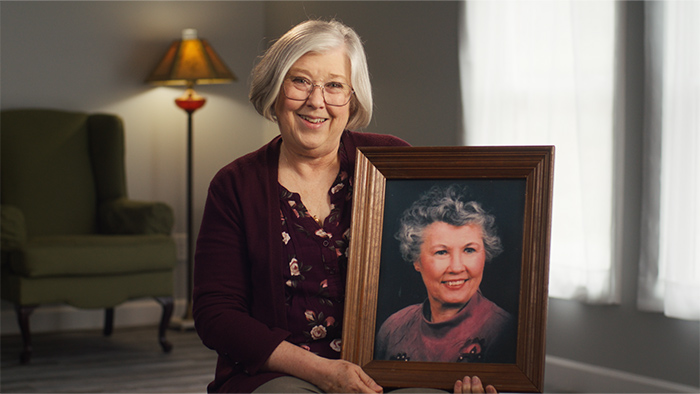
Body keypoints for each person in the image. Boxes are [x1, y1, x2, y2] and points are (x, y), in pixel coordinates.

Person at [192, 19, 498, 394]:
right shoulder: (235, 185)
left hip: (392, 366)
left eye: (334, 85)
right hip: (278, 371)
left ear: (352, 98)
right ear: (275, 89)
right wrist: (321, 371)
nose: (316, 101)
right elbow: (216, 315)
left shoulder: (392, 162)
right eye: (300, 81)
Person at [375, 185, 517, 364]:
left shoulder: (506, 331)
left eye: (469, 250)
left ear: (485, 253)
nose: (456, 268)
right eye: (441, 252)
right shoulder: (392, 329)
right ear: (416, 260)